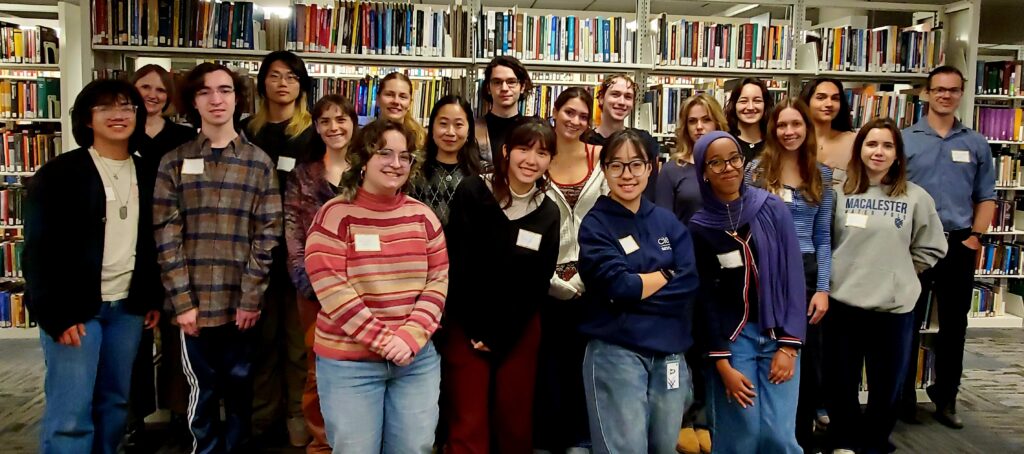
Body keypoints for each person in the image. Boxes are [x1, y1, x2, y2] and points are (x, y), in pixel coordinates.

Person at [24, 79, 162, 454]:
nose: (118, 115)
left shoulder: (147, 172)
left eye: (126, 106)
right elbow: (38, 250)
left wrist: (149, 296)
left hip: (127, 311)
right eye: (105, 108)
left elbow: (151, 242)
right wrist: (54, 313)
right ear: (87, 118)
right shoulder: (60, 173)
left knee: (115, 404)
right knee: (71, 412)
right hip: (76, 311)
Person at [154, 63, 282, 453]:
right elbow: (166, 235)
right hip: (193, 305)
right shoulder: (174, 161)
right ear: (193, 101)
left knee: (242, 387)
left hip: (241, 303)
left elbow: (268, 233)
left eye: (225, 90)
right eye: (205, 92)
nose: (216, 99)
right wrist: (182, 303)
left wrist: (251, 298)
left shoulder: (259, 162)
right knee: (202, 391)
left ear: (238, 97)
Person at [305, 119, 448, 453]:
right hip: (349, 364)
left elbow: (437, 282)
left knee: (414, 447)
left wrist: (409, 337)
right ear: (363, 159)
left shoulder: (423, 217)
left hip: (415, 361)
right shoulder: (335, 215)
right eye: (385, 153)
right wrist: (387, 341)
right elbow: (332, 290)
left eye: (404, 156)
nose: (395, 164)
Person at [826, 118, 947, 454]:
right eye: (871, 144)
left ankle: (875, 442)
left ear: (898, 154)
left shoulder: (916, 197)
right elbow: (828, 243)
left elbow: (932, 245)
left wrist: (902, 272)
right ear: (859, 149)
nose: (878, 152)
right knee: (841, 381)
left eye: (887, 145)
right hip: (843, 303)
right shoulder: (840, 194)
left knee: (887, 385)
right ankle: (843, 440)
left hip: (893, 308)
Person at [577, 129, 701, 454]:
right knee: (626, 448)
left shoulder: (668, 222)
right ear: (604, 170)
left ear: (651, 167)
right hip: (616, 351)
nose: (627, 174)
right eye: (616, 165)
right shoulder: (595, 225)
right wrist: (665, 275)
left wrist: (641, 289)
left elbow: (688, 283)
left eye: (635, 164)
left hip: (671, 354)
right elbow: (619, 286)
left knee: (664, 446)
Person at [442, 118, 560, 453]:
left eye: (542, 153)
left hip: (518, 327)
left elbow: (538, 281)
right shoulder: (473, 191)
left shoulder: (548, 212)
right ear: (505, 151)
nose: (531, 159)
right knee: (469, 420)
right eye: (523, 148)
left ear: (550, 161)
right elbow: (458, 264)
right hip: (468, 324)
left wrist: (501, 335)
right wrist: (478, 331)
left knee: (515, 421)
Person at [689, 130, 806, 454]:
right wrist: (722, 364)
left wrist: (790, 346)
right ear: (703, 172)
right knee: (741, 433)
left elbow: (794, 276)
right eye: (716, 163)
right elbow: (704, 299)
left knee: (779, 437)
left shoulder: (771, 208)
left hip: (778, 335)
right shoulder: (699, 226)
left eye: (734, 158)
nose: (728, 168)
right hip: (732, 341)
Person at [902, 65, 996, 429]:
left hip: (958, 242)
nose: (945, 95)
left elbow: (986, 195)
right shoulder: (906, 139)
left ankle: (946, 398)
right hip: (912, 245)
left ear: (960, 94)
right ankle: (903, 399)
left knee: (954, 325)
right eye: (938, 89)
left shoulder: (976, 143)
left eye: (952, 90)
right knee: (905, 322)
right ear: (926, 93)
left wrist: (976, 237)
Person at [746, 98, 832, 452]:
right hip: (766, 269)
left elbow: (824, 235)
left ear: (806, 129)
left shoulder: (821, 174)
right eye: (782, 125)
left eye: (796, 124)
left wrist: (823, 288)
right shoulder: (756, 171)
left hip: (807, 271)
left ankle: (799, 437)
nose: (789, 131)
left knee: (806, 360)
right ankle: (766, 432)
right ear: (773, 130)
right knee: (768, 349)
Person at [242, 50, 314, 448]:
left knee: (297, 344)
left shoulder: (311, 134)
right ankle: (261, 419)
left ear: (301, 84)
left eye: (290, 76)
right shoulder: (246, 131)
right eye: (274, 75)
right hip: (254, 253)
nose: (282, 83)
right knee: (260, 342)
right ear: (262, 82)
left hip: (298, 254)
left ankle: (296, 418)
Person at [126, 63, 197, 447]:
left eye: (160, 89)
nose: (152, 95)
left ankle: (179, 414)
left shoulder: (184, 137)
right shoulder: (122, 131)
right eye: (144, 87)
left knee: (176, 339)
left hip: (174, 244)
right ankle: (134, 419)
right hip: (132, 243)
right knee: (134, 340)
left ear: (171, 96)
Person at [284, 94, 358, 453]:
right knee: (317, 369)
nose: (334, 127)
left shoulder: (368, 170)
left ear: (353, 123)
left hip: (363, 288)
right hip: (314, 289)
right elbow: (293, 232)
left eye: (341, 119)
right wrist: (305, 279)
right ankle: (322, 442)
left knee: (359, 365)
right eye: (326, 120)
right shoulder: (303, 175)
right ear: (316, 127)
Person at [534, 88, 605, 452]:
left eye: (582, 115)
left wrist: (591, 271)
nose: (575, 121)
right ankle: (547, 439)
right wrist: (547, 277)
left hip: (594, 277)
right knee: (547, 363)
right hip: (544, 275)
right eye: (569, 113)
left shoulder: (601, 157)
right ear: (555, 111)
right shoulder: (538, 154)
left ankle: (581, 438)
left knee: (586, 363)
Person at [409, 95, 484, 224]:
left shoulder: (484, 173)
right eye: (443, 124)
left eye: (458, 125)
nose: (450, 132)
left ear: (469, 131)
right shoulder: (413, 170)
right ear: (432, 127)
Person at [656, 93, 728, 224]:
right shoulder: (671, 170)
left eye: (706, 120)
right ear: (685, 127)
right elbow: (662, 224)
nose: (699, 127)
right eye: (692, 121)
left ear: (717, 124)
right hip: (684, 242)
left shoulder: (730, 166)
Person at [585, 73, 660, 200]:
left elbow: (650, 191)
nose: (621, 102)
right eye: (615, 94)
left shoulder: (644, 141)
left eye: (628, 97)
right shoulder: (585, 140)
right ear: (601, 98)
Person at [477, 56, 533, 163]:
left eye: (511, 82)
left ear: (522, 87)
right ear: (488, 88)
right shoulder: (473, 130)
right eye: (497, 82)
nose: (504, 88)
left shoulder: (532, 131)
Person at [800, 78, 856, 172]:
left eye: (835, 98)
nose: (829, 104)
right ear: (807, 101)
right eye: (821, 98)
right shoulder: (795, 140)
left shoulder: (854, 141)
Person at [725, 77, 773, 162]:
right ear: (734, 105)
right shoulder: (725, 142)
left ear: (765, 105)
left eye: (757, 101)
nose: (750, 107)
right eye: (743, 101)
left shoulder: (774, 143)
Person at [377, 72, 427, 150]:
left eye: (403, 97)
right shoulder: (363, 138)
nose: (396, 101)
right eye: (389, 94)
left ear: (410, 103)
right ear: (377, 99)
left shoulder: (423, 142)